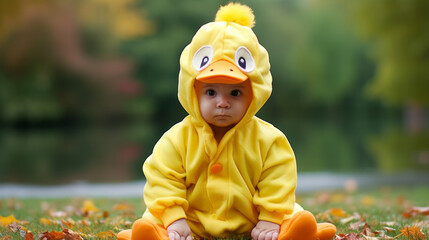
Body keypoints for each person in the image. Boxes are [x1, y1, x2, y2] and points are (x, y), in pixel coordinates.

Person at [118, 3, 337, 240]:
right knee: (155, 217)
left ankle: (292, 231)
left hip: (254, 219)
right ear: (193, 92)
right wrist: (175, 219)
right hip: (190, 220)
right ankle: (156, 234)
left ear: (253, 93)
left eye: (235, 93)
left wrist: (270, 219)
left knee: (289, 212)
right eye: (211, 93)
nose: (222, 103)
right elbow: (162, 177)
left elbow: (279, 180)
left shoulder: (269, 139)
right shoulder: (177, 139)